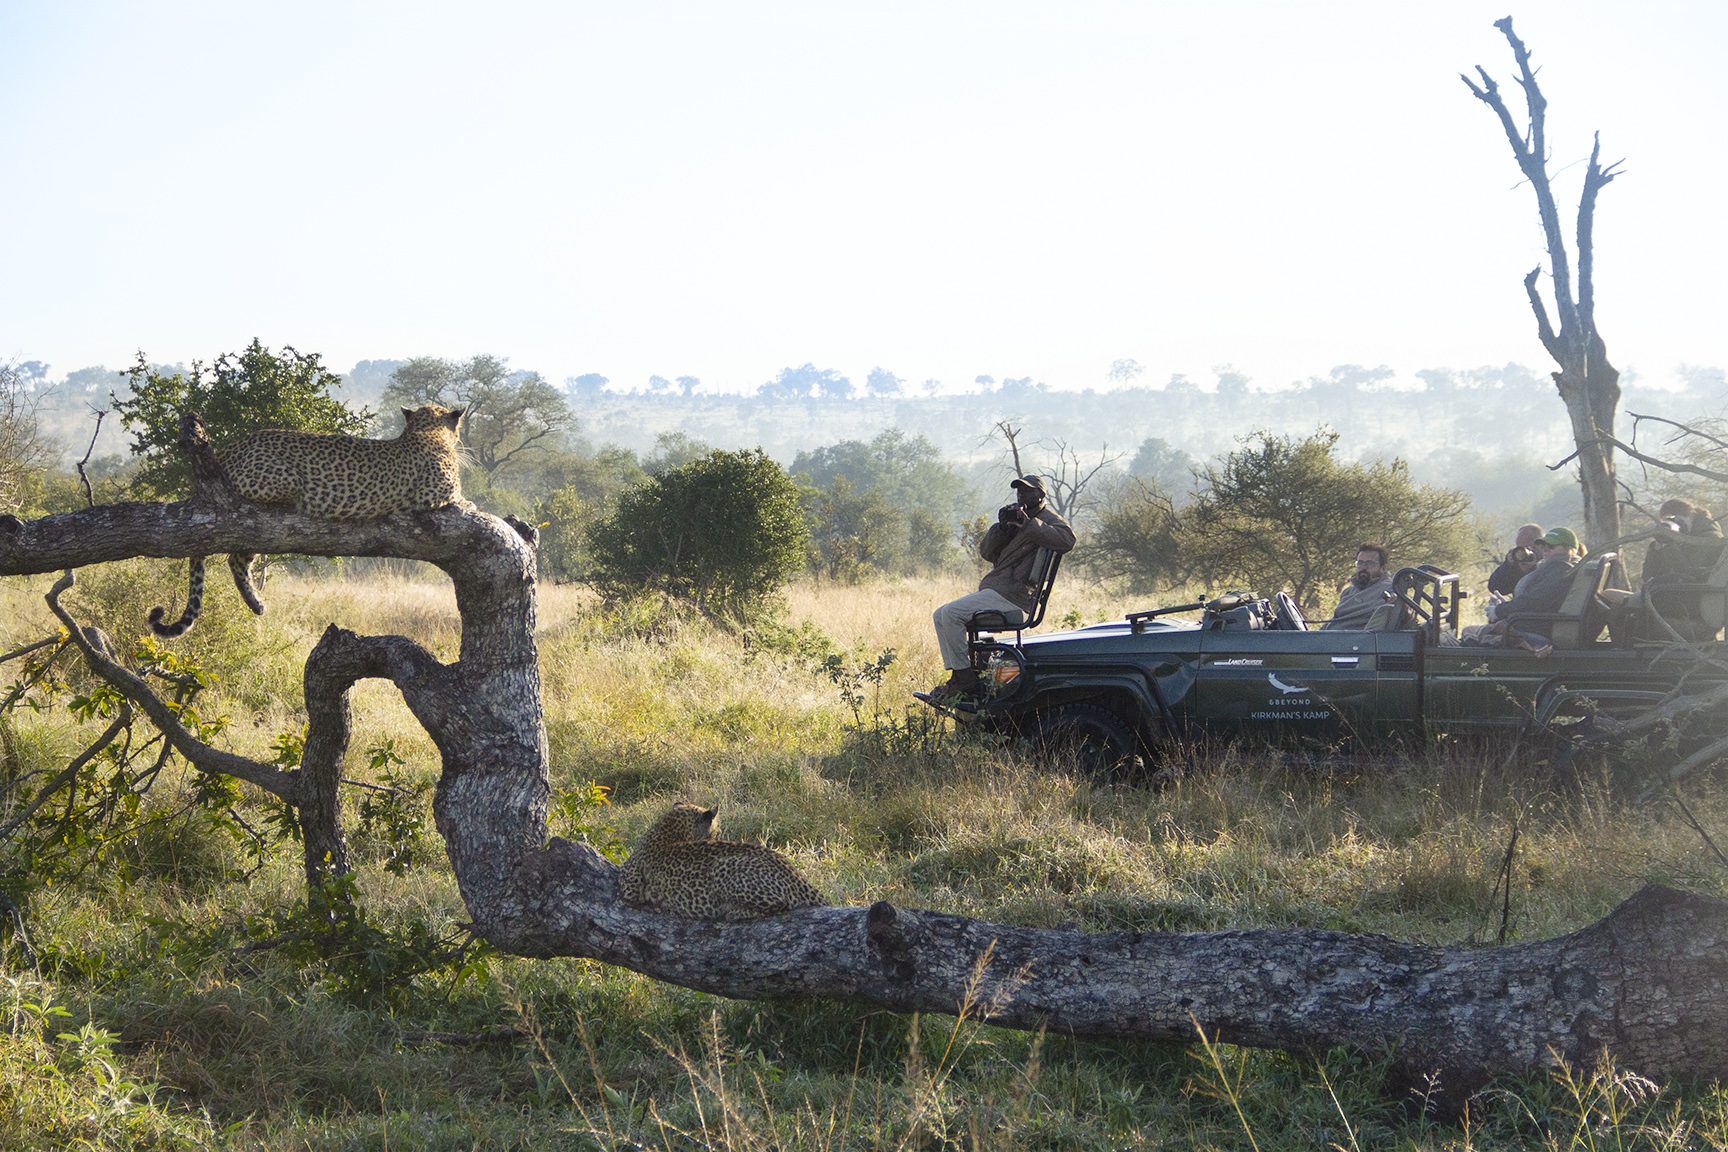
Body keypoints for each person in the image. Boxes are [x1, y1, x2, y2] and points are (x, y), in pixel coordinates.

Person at [926, 475, 1075, 702]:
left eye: (1027, 491)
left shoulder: (1048, 520)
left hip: (1014, 597)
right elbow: (986, 553)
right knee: (939, 615)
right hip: (998, 590)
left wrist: (1028, 524)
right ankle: (959, 675)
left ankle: (965, 679)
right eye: (1019, 491)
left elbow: (1068, 540)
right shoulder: (1015, 520)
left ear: (1041, 495)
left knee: (951, 614)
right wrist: (1001, 527)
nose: (1022, 495)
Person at [1642, 499, 1726, 640]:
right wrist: (1656, 549)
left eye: (1677, 520)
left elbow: (1690, 573)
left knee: (1621, 604)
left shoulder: (1709, 538)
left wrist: (1670, 545)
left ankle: (1617, 649)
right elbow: (1648, 576)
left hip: (1693, 601)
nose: (1676, 524)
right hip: (1683, 596)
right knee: (1614, 601)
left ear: (1691, 515)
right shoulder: (1686, 538)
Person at [1320, 543, 1394, 630]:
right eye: (1360, 563)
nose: (1363, 567)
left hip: (1358, 639)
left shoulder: (1389, 589)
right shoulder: (1348, 592)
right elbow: (1334, 620)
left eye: (1369, 563)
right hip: (1330, 636)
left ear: (1383, 568)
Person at [1487, 523, 1544, 597]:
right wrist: (1508, 565)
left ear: (1541, 544)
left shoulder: (1549, 563)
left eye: (1529, 546)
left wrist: (1533, 568)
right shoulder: (1519, 563)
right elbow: (1496, 588)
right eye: (1520, 548)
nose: (1525, 551)